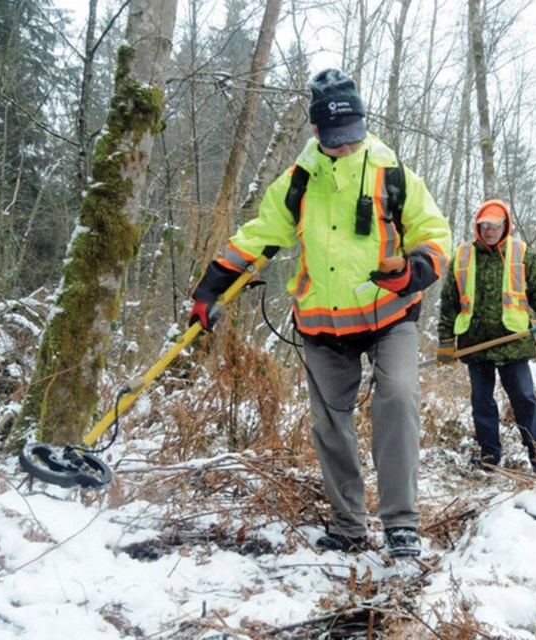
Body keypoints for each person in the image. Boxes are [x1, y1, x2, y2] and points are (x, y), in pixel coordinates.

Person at [189, 69, 452, 558]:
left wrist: (410, 272)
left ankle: (400, 523)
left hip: (390, 315)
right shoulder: (298, 181)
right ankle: (348, 525)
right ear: (316, 133)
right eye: (336, 140)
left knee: (397, 397)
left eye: (353, 137)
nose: (346, 147)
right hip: (323, 322)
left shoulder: (392, 174)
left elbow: (435, 237)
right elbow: (260, 234)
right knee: (330, 424)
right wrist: (211, 287)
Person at [436, 200, 536, 474]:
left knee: (523, 398)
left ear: (505, 225)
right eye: (484, 226)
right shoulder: (462, 256)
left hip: (513, 342)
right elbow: (449, 301)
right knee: (482, 403)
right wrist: (446, 341)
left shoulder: (521, 254)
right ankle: (489, 456)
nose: (489, 231)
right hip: (475, 344)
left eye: (495, 226)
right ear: (478, 226)